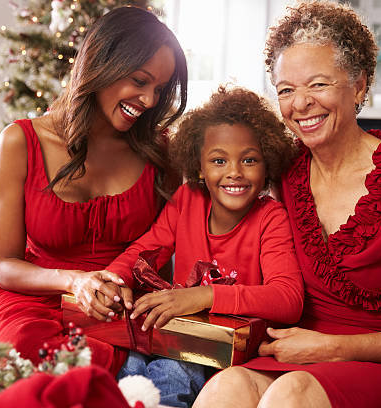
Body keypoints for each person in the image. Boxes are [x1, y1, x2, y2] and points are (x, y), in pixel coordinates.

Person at [194, 2, 381, 407]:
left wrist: (331, 348)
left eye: (318, 84)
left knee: (292, 394)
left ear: (358, 85)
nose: (300, 104)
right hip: (301, 354)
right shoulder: (284, 173)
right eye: (286, 90)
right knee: (225, 386)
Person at [0, 6, 188, 375]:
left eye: (160, 88)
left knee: (89, 367)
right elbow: (5, 266)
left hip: (111, 310)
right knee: (28, 351)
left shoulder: (160, 153)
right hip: (29, 300)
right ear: (102, 62)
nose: (150, 100)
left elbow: (165, 253)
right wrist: (74, 280)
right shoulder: (21, 141)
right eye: (140, 80)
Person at [105, 86, 305, 407]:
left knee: (171, 372)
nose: (234, 172)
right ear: (199, 166)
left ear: (267, 164)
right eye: (219, 160)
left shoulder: (271, 218)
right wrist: (113, 279)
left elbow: (288, 299)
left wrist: (203, 295)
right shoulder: (188, 200)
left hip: (227, 353)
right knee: (127, 364)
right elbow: (146, 248)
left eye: (249, 159)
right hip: (178, 336)